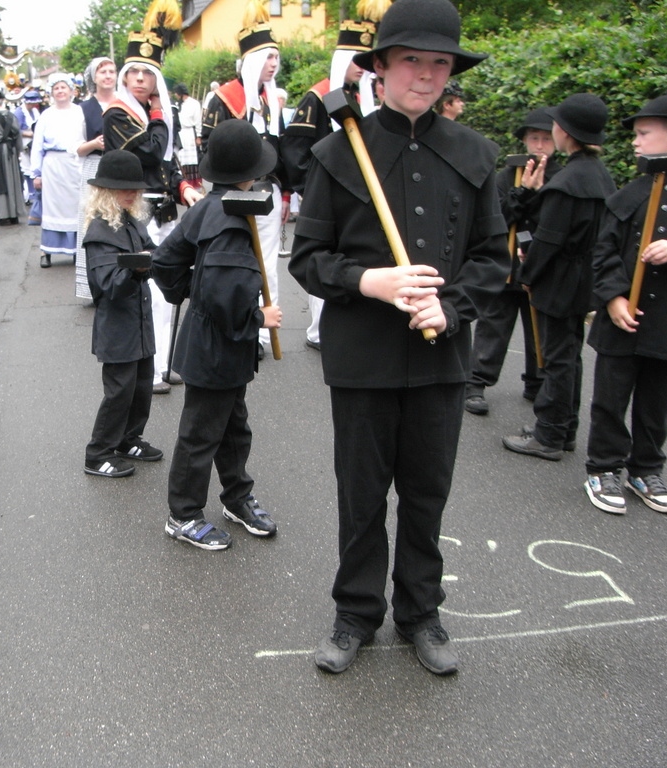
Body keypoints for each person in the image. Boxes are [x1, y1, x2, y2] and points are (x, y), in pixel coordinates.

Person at [289, 0, 509, 675]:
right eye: (412, 60)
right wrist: (370, 282)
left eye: (440, 63)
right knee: (361, 497)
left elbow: (493, 259)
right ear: (380, 68)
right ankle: (356, 612)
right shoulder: (336, 153)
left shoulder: (476, 155)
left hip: (440, 360)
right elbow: (308, 259)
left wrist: (452, 306)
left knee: (426, 493)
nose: (427, 74)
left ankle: (421, 614)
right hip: (362, 361)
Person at [153, 119, 282, 550]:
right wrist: (260, 318)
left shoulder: (209, 206)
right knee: (201, 434)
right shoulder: (229, 221)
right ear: (251, 173)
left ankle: (236, 496)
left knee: (232, 427)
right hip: (216, 350)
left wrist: (191, 294)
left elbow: (166, 262)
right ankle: (183, 515)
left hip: (219, 347)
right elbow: (226, 299)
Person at [502, 94, 616, 461]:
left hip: (559, 279)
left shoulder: (568, 182)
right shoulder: (599, 175)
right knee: (569, 354)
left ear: (565, 131)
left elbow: (548, 240)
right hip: (584, 277)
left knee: (556, 358)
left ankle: (549, 433)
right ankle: (564, 428)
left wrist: (528, 273)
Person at [582, 95, 667, 515]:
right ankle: (603, 467)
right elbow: (604, 252)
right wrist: (614, 296)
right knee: (610, 399)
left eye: (643, 133)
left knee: (657, 404)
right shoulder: (629, 193)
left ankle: (646, 469)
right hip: (622, 321)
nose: (635, 142)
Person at [103, 29, 201, 394]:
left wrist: (184, 187)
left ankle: (163, 363)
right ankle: (152, 368)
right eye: (134, 71)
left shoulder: (155, 114)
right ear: (125, 76)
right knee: (150, 292)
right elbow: (152, 151)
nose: (141, 78)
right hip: (136, 210)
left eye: (148, 72)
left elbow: (166, 163)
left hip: (164, 209)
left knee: (168, 287)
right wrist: (160, 112)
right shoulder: (118, 113)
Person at [283, 12, 383, 353]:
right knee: (322, 258)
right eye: (356, 59)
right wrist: (313, 190)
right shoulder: (317, 98)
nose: (362, 68)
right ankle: (319, 330)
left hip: (358, 195)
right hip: (325, 193)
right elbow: (296, 150)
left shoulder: (363, 95)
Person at [200, 0, 290, 358]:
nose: (274, 64)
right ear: (253, 60)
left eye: (276, 57)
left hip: (268, 190)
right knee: (234, 260)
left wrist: (286, 194)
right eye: (268, 57)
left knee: (267, 264)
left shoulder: (272, 99)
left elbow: (281, 149)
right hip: (232, 195)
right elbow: (209, 148)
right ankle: (239, 326)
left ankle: (264, 335)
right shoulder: (223, 98)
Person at [464, 108, 560, 415]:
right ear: (524, 141)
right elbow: (496, 219)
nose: (540, 146)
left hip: (541, 269)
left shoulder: (560, 179)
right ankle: (476, 382)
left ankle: (536, 383)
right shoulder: (506, 177)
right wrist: (523, 193)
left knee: (538, 332)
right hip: (506, 267)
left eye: (546, 139)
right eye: (534, 138)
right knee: (493, 325)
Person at [83, 150, 162, 477]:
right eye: (123, 187)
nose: (132, 193)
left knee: (141, 387)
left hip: (139, 322)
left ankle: (128, 439)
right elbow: (106, 285)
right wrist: (137, 268)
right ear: (106, 190)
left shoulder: (131, 222)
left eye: (135, 188)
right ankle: (97, 453)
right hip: (117, 327)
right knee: (119, 393)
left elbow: (152, 254)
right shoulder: (99, 231)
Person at [31, 73, 84, 268]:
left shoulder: (79, 112)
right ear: (51, 92)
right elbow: (37, 145)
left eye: (63, 87)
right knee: (52, 208)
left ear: (71, 90)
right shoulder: (46, 115)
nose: (60, 91)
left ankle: (76, 250)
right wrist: (36, 173)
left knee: (76, 208)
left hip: (74, 164)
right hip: (52, 166)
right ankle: (46, 251)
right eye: (56, 88)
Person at [74, 57, 117, 300]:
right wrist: (94, 143)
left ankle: (120, 281)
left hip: (120, 165)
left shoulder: (125, 103)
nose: (108, 76)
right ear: (94, 77)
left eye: (111, 71)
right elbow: (76, 148)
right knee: (92, 222)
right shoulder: (83, 108)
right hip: (94, 165)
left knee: (120, 220)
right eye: (103, 72)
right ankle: (92, 286)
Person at [0, 89, 25, 226]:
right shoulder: (11, 115)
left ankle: (3, 215)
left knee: (0, 181)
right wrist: (18, 150)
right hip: (11, 150)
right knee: (14, 180)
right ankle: (15, 214)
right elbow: (18, 134)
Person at [172, 83, 202, 193]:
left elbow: (198, 121)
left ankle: (195, 187)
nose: (175, 95)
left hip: (189, 134)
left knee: (191, 161)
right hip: (180, 134)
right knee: (181, 160)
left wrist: (198, 135)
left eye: (177, 93)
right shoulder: (177, 104)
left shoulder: (194, 104)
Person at [15, 88, 42, 205]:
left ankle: (36, 191)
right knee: (27, 167)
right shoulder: (19, 112)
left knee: (35, 165)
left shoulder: (35, 111)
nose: (33, 105)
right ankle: (30, 192)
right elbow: (16, 130)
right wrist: (29, 134)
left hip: (35, 142)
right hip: (25, 143)